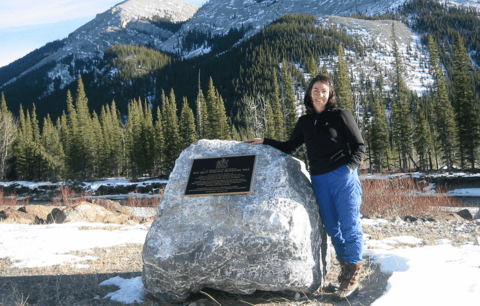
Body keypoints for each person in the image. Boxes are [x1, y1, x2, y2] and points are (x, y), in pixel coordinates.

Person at [244, 75, 365, 299]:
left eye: (324, 91)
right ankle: (344, 271)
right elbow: (291, 147)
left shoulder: (340, 116)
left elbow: (359, 145)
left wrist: (349, 168)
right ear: (310, 94)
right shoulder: (305, 122)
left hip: (343, 178)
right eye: (316, 90)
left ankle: (354, 273)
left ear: (330, 95)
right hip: (319, 180)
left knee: (349, 224)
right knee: (331, 227)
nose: (320, 95)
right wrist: (265, 141)